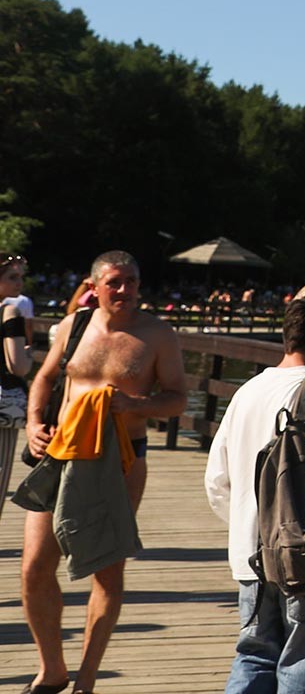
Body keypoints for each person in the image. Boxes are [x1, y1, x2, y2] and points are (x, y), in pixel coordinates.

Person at [20, 251, 188, 694]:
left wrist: (137, 405)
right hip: (62, 451)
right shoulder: (77, 325)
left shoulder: (158, 335)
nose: (125, 290)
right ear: (94, 286)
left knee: (106, 573)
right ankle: (51, 668)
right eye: (115, 282)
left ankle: (87, 681)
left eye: (131, 281)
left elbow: (176, 399)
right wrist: (34, 423)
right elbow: (44, 376)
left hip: (121, 458)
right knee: (35, 567)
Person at [204, 294, 305, 694]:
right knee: (302, 658)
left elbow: (216, 479)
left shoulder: (247, 391)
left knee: (254, 653)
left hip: (249, 552)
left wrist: (248, 522)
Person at [2, 255, 35, 518]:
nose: (19, 282)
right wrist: (28, 354)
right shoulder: (9, 312)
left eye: (20, 277)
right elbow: (17, 366)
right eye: (12, 277)